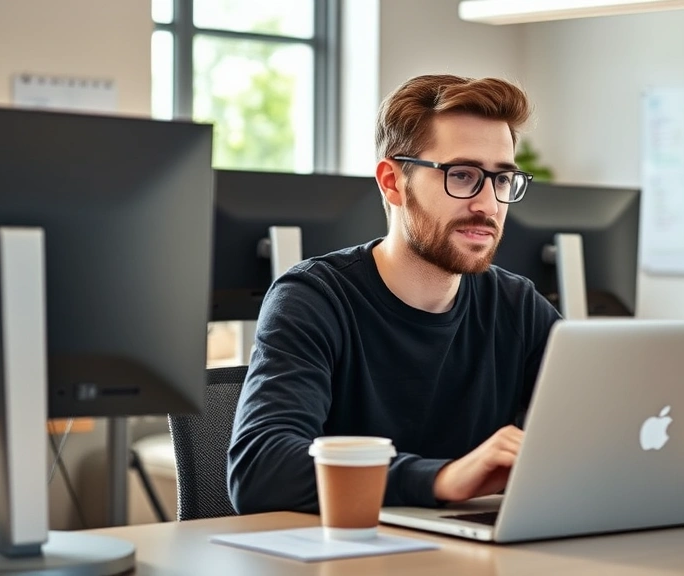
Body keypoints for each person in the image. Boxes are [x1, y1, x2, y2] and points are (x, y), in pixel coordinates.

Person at [227, 74, 562, 513]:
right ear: (392, 182)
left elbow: (597, 433)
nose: (488, 204)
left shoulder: (518, 307)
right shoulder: (312, 299)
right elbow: (259, 470)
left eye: (501, 180)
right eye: (462, 176)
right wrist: (439, 479)